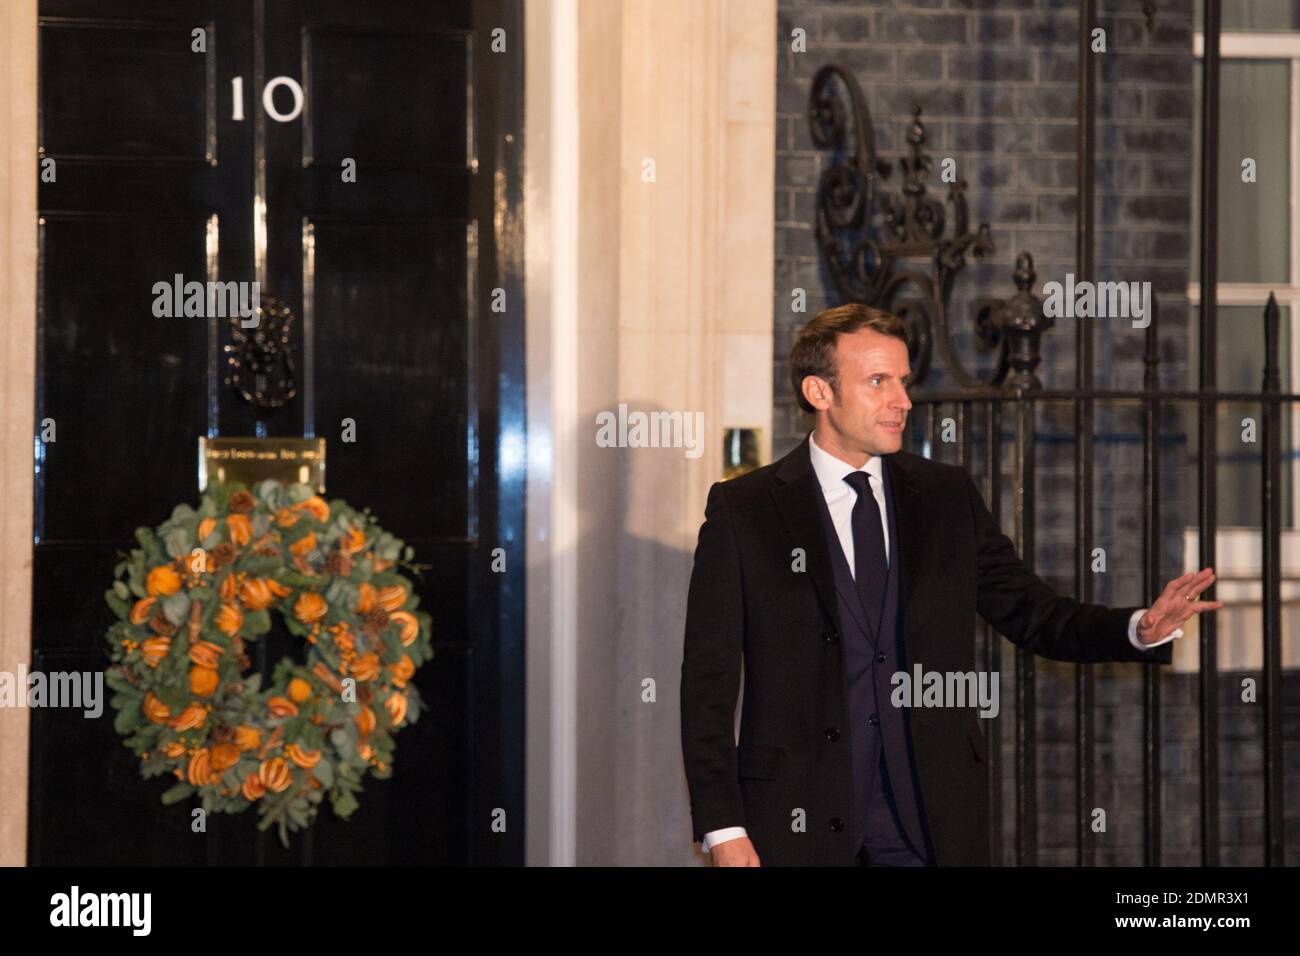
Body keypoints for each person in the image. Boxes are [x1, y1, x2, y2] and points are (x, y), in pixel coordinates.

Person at [679, 304, 1222, 867]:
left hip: (929, 820)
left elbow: (1032, 612)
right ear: (819, 391)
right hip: (792, 825)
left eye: (904, 381)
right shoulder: (746, 511)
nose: (903, 401)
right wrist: (723, 828)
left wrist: (1137, 627)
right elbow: (706, 687)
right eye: (877, 381)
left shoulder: (945, 497)